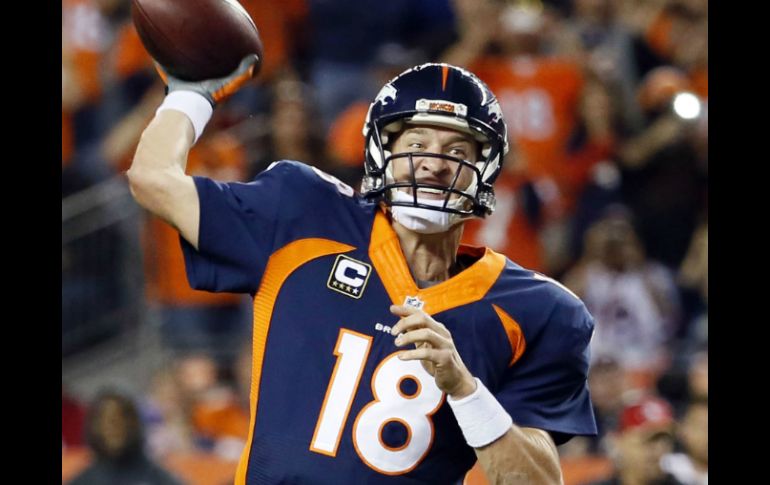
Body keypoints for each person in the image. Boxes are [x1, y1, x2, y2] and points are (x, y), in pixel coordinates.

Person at [128, 57, 597, 483]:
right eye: (416, 143)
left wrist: (466, 389)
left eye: (457, 151)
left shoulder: (537, 311)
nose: (434, 164)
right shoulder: (304, 213)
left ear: (485, 170)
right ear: (380, 155)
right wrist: (191, 94)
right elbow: (154, 180)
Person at [67, 390, 184, 485]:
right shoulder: (83, 481)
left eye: (119, 420)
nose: (113, 429)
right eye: (106, 422)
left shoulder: (158, 476)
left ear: (135, 423)